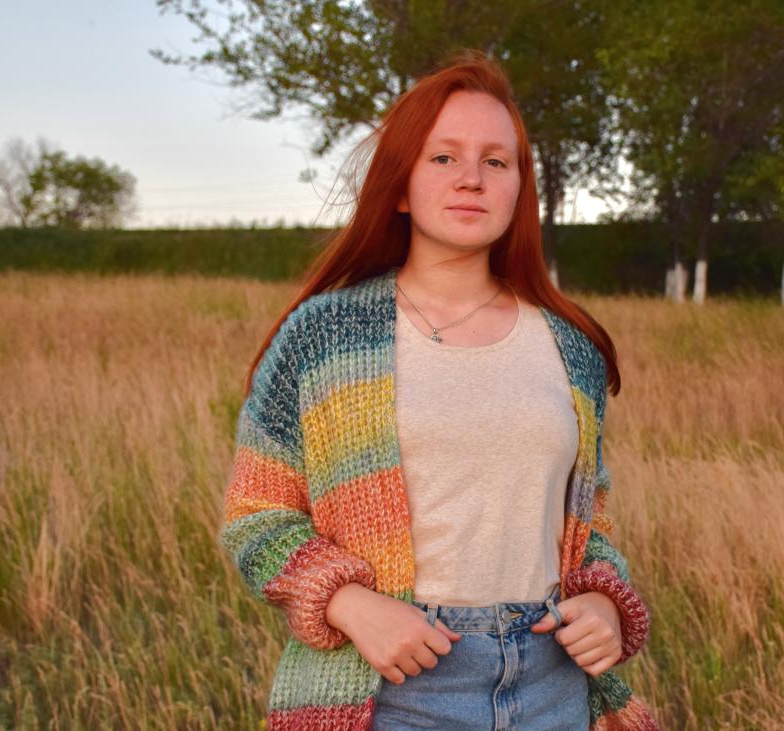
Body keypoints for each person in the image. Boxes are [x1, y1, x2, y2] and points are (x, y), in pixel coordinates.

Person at [219, 49, 658, 730]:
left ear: (519, 189)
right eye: (443, 158)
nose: (472, 180)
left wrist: (603, 599)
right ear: (400, 185)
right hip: (394, 690)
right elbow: (256, 515)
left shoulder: (570, 348)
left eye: (497, 161)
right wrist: (351, 604)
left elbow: (582, 526)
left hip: (552, 683)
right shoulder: (324, 337)